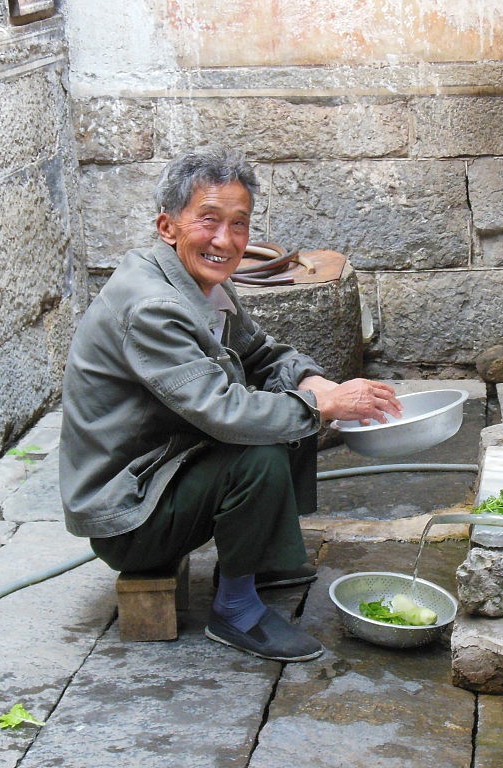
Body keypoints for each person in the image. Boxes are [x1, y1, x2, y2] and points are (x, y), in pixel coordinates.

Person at [59, 145, 402, 663]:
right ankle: (236, 611)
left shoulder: (201, 282)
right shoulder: (154, 305)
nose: (226, 240)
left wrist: (317, 382)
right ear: (168, 226)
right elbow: (222, 413)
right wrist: (322, 407)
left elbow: (262, 354)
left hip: (167, 465)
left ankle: (263, 554)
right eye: (209, 220)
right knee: (260, 445)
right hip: (130, 515)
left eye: (239, 224)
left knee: (292, 403)